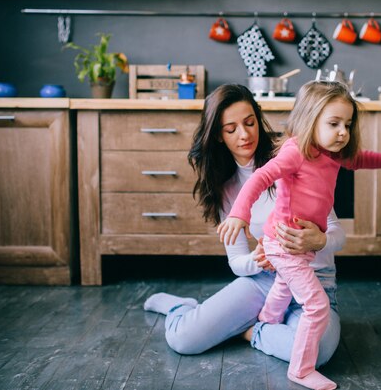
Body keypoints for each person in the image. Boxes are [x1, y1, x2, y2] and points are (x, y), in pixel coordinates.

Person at [218, 80, 381, 390]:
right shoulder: (295, 153)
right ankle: (300, 371)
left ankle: (266, 324)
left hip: (296, 248)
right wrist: (239, 213)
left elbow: (361, 158)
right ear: (310, 120)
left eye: (348, 124)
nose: (344, 132)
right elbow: (261, 177)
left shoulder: (332, 154)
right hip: (284, 246)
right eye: (334, 123)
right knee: (317, 306)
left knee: (283, 288)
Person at [143, 83, 345, 369]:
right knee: (182, 339)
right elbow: (237, 262)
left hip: (316, 284)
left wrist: (319, 240)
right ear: (218, 136)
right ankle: (181, 308)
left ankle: (248, 331)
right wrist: (257, 260)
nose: (244, 134)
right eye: (231, 129)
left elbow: (337, 232)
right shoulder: (227, 189)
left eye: (250, 123)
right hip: (264, 282)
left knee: (317, 353)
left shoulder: (291, 158)